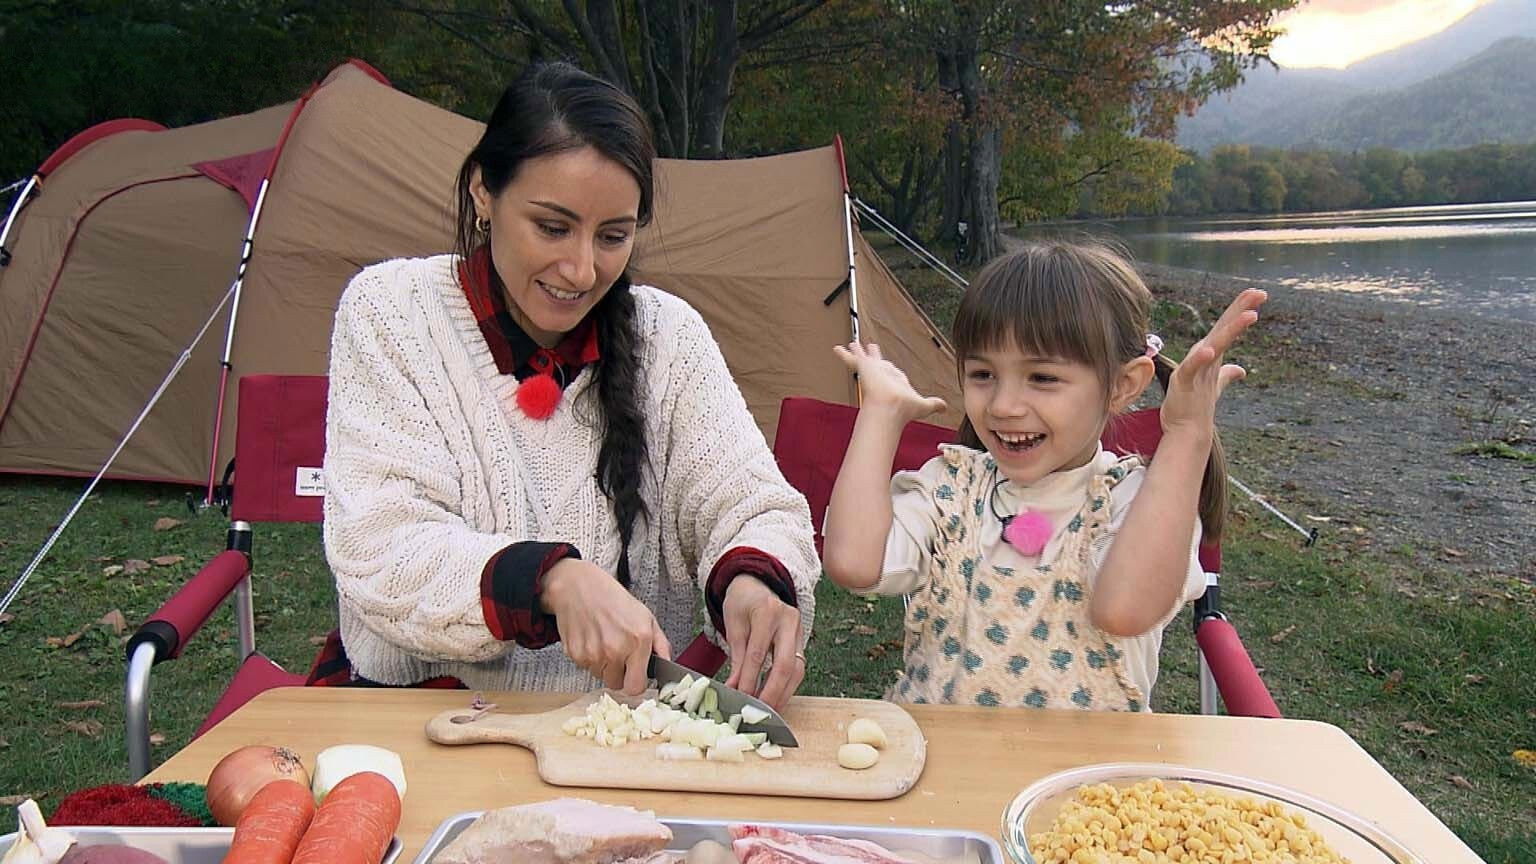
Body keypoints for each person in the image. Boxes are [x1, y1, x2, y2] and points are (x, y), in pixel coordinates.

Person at [315, 62, 818, 708]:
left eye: (613, 236)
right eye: (552, 227)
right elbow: (381, 544)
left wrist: (753, 579)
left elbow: (749, 500)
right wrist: (550, 579)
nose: (581, 270)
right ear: (482, 193)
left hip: (614, 729)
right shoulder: (391, 311)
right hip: (416, 721)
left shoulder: (670, 337)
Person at [822, 241, 1265, 710]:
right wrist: (881, 414)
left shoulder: (1136, 503)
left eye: (1043, 378)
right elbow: (853, 563)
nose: (1002, 406)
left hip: (1088, 780)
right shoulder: (948, 489)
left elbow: (1124, 610)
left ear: (1122, 385)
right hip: (946, 773)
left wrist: (1186, 435)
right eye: (982, 374)